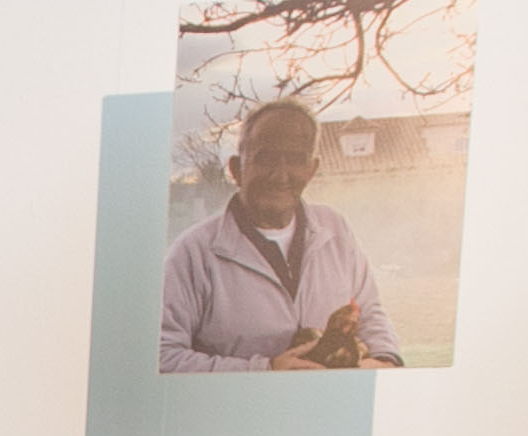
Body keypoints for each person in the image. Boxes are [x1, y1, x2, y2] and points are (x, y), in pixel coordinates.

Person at [158, 100, 402, 375]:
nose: (281, 175)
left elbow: (369, 311)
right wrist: (264, 371)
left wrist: (385, 358)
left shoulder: (336, 229)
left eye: (296, 160)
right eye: (266, 158)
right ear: (236, 169)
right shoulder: (192, 253)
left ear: (311, 170)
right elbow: (163, 356)